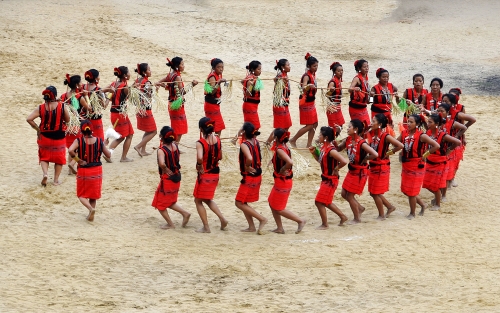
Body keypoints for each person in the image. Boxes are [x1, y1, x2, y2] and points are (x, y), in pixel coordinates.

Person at [397, 114, 440, 219]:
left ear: (417, 124)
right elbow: (396, 143)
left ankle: (412, 213)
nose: (408, 124)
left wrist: (425, 155)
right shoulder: (404, 133)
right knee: (405, 190)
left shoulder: (421, 135)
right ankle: (422, 204)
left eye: (411, 122)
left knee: (411, 192)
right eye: (408, 121)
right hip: (406, 165)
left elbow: (436, 146)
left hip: (416, 166)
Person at [26, 86, 70, 186]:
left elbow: (29, 119)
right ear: (54, 95)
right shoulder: (61, 106)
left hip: (44, 136)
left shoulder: (41, 108)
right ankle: (55, 180)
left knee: (44, 157)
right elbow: (67, 120)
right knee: (59, 159)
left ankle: (45, 174)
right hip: (59, 137)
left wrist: (38, 129)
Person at [68, 120, 111, 221]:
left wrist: (78, 160)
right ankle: (91, 213)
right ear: (92, 130)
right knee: (93, 195)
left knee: (81, 195)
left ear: (81, 130)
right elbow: (108, 155)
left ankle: (90, 209)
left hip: (84, 171)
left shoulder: (79, 141)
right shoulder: (99, 141)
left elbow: (70, 150)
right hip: (97, 171)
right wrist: (104, 145)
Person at [151, 126, 191, 229]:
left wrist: (164, 168)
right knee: (170, 201)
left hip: (168, 179)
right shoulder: (175, 146)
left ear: (162, 137)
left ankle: (171, 223)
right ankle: (184, 214)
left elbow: (161, 163)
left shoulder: (162, 150)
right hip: (176, 176)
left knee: (161, 204)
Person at [339, 119, 378, 223]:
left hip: (360, 172)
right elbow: (338, 148)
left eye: (349, 127)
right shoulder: (347, 140)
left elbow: (375, 154)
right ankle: (360, 208)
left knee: (349, 196)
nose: (347, 129)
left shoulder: (362, 143)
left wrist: (365, 159)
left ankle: (357, 218)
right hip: (352, 170)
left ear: (356, 129)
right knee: (344, 193)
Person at [268, 128, 306, 234]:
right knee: (272, 203)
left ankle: (300, 220)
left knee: (278, 208)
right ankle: (279, 228)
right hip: (282, 181)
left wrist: (282, 169)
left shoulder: (280, 149)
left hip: (283, 182)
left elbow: (289, 162)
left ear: (276, 138)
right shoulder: (284, 147)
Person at [309, 126, 348, 229]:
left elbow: (344, 161)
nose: (318, 136)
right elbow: (320, 161)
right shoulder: (324, 148)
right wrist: (314, 153)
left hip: (330, 180)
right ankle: (342, 216)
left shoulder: (331, 150)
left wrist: (336, 169)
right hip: (326, 179)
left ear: (325, 137)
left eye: (320, 135)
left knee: (319, 201)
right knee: (326, 201)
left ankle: (325, 224)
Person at [194, 117, 228, 233]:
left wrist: (199, 165)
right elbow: (220, 157)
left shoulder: (201, 143)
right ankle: (222, 219)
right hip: (215, 173)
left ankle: (206, 227)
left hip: (205, 174)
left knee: (198, 201)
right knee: (207, 199)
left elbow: (199, 157)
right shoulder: (217, 139)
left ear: (201, 129)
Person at [367, 114, 404, 219]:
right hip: (374, 165)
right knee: (373, 192)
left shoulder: (385, 136)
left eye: (373, 121)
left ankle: (381, 215)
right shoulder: (371, 134)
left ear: (380, 124)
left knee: (375, 193)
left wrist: (388, 153)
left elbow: (400, 145)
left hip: (381, 166)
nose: (371, 122)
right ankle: (389, 207)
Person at [422, 114, 461, 211]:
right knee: (426, 183)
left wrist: (449, 150)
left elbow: (457, 142)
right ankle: (437, 197)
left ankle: (438, 204)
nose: (428, 123)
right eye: (428, 121)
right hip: (430, 161)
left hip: (440, 163)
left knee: (436, 185)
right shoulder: (428, 133)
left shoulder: (443, 135)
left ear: (437, 124)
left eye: (430, 122)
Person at [436, 100, 473, 200]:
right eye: (438, 111)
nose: (440, 113)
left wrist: (456, 137)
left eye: (442, 111)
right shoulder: (435, 122)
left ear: (447, 113)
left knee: (446, 173)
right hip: (438, 151)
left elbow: (464, 127)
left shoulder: (452, 123)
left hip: (448, 150)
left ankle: (443, 195)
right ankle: (439, 193)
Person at [156, 57, 198, 144]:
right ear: (177, 66)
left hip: (171, 103)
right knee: (179, 128)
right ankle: (174, 146)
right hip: (176, 105)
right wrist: (192, 85)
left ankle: (175, 146)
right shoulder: (177, 77)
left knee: (176, 127)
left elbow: (159, 82)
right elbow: (182, 92)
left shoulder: (170, 75)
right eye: (182, 64)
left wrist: (163, 86)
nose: (184, 66)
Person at [235, 122, 267, 234]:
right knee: (244, 202)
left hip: (249, 176)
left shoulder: (244, 144)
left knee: (239, 203)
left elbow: (248, 157)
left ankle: (261, 219)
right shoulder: (256, 141)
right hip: (257, 175)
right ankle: (251, 226)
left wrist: (247, 166)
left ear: (244, 132)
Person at [61, 74, 90, 174]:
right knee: (79, 147)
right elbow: (89, 109)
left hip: (66, 126)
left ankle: (70, 170)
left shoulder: (63, 96)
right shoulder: (79, 97)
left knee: (71, 148)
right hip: (76, 125)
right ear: (77, 85)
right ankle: (72, 164)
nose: (82, 84)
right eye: (80, 82)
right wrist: (86, 96)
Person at [290, 53, 319, 148]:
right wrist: (309, 86)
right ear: (309, 66)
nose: (316, 68)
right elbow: (303, 88)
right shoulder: (306, 76)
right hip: (306, 102)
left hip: (311, 102)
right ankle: (293, 139)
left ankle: (309, 144)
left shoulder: (313, 75)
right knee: (310, 125)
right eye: (314, 66)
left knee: (315, 124)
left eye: (317, 66)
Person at [105, 66, 134, 162]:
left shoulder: (113, 84)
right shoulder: (124, 86)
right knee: (122, 136)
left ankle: (119, 156)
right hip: (120, 115)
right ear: (125, 75)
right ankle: (109, 154)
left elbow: (104, 91)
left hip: (114, 114)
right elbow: (131, 97)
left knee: (129, 134)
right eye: (128, 72)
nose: (130, 74)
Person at [133, 63, 157, 157]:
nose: (150, 71)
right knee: (154, 131)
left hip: (139, 108)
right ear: (144, 72)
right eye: (149, 70)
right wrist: (156, 89)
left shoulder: (137, 81)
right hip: (146, 109)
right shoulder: (147, 82)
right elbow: (149, 96)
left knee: (148, 130)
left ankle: (143, 150)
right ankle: (138, 146)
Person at [266, 59, 292, 145]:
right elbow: (277, 89)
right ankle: (268, 143)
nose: (289, 66)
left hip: (285, 104)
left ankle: (280, 142)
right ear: (282, 67)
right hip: (280, 104)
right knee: (279, 127)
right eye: (288, 65)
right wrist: (279, 80)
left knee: (287, 125)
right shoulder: (280, 76)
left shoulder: (285, 75)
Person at [204, 58, 227, 136]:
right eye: (218, 67)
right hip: (211, 105)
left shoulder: (218, 75)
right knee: (217, 127)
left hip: (215, 105)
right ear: (213, 68)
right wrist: (219, 83)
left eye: (222, 67)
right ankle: (215, 143)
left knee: (217, 127)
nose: (221, 69)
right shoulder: (212, 77)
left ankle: (214, 142)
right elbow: (212, 91)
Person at [83, 69, 107, 141]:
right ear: (96, 78)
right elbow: (104, 106)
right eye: (99, 76)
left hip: (85, 118)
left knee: (87, 140)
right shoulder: (98, 90)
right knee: (98, 140)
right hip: (96, 119)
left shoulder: (83, 87)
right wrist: (109, 98)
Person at [348, 59, 371, 128]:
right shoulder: (357, 78)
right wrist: (355, 88)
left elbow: (369, 102)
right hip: (355, 107)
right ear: (359, 68)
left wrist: (372, 96)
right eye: (364, 67)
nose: (366, 68)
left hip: (363, 107)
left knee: (367, 127)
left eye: (367, 66)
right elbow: (349, 89)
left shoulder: (366, 79)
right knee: (359, 128)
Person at [241, 60, 263, 130]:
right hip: (249, 105)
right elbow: (247, 94)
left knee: (249, 125)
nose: (260, 71)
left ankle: (235, 139)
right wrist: (250, 85)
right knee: (255, 126)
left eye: (260, 69)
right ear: (253, 70)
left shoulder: (252, 77)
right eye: (258, 69)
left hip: (253, 105)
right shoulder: (251, 79)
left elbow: (242, 81)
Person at [325, 61, 345, 128]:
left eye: (342, 70)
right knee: (334, 127)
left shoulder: (339, 80)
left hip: (338, 106)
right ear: (334, 72)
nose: (341, 72)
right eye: (338, 71)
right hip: (332, 107)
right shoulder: (332, 82)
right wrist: (330, 91)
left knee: (340, 125)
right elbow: (327, 95)